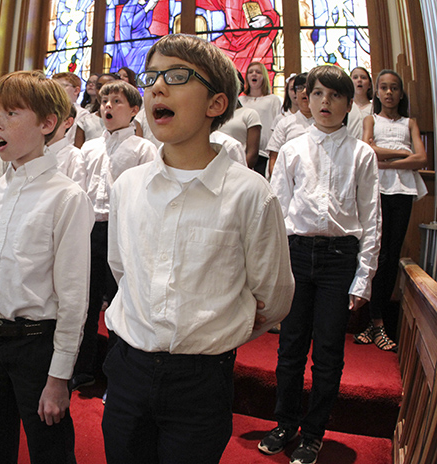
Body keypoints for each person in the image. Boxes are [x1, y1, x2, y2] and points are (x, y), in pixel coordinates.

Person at [102, 34, 294, 464]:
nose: (156, 88)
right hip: (128, 367)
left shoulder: (250, 194)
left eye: (176, 76)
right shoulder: (128, 187)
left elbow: (273, 297)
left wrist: (215, 330)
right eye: (152, 77)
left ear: (216, 104)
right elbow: (122, 270)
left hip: (200, 378)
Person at [0, 70, 94, 464]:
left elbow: (73, 296)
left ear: (47, 123)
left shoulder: (66, 196)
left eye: (12, 113)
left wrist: (58, 378)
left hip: (35, 343)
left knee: (49, 452)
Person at [262, 65, 381, 464]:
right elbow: (276, 213)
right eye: (317, 94)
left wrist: (363, 278)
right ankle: (285, 423)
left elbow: (371, 220)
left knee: (328, 352)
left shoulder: (362, 153)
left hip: (338, 260)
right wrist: (273, 272)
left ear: (349, 104)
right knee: (290, 347)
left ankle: (313, 434)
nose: (324, 102)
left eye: (334, 96)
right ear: (305, 98)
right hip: (296, 255)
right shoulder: (293, 149)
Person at [74, 79, 156, 392]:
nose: (108, 106)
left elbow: (145, 195)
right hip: (90, 228)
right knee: (86, 302)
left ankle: (116, 379)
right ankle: (82, 370)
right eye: (105, 101)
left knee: (120, 302)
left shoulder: (144, 148)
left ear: (135, 110)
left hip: (122, 230)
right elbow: (79, 191)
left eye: (118, 102)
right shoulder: (90, 147)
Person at [354, 69, 427, 352]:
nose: (388, 93)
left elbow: (421, 157)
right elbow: (367, 148)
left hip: (403, 191)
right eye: (383, 87)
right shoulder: (371, 118)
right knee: (377, 252)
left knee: (392, 252)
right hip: (378, 189)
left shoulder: (410, 123)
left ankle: (379, 323)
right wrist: (401, 154)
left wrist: (390, 161)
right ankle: (371, 319)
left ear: (400, 93)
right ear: (378, 92)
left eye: (394, 88)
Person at [239, 61, 282, 177]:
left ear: (264, 77)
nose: (254, 74)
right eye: (250, 72)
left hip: (264, 153)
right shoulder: (241, 101)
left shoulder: (273, 100)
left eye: (258, 72)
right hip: (243, 150)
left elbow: (277, 124)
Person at [267, 73, 314, 175]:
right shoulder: (284, 123)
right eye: (300, 88)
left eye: (308, 87)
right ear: (295, 95)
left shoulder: (324, 123)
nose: (304, 91)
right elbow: (274, 159)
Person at [46, 105, 88, 190]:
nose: (46, 122)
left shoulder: (74, 157)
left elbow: (77, 194)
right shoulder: (32, 152)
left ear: (68, 122)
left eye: (53, 117)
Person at [75, 73, 117, 147]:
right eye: (99, 87)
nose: (103, 91)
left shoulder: (125, 122)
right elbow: (78, 151)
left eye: (108, 87)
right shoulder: (85, 120)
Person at [216, 101, 262, 168]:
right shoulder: (213, 115)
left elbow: (252, 152)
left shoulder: (249, 113)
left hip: (238, 165)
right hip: (215, 166)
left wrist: (242, 170)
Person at [53, 72, 90, 145]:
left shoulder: (83, 114)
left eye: (61, 86)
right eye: (54, 87)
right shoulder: (48, 110)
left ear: (76, 90)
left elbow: (73, 140)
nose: (56, 90)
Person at [347, 67, 373, 140]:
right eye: (355, 77)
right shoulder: (345, 107)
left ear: (369, 85)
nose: (359, 80)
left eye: (363, 78)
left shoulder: (374, 108)